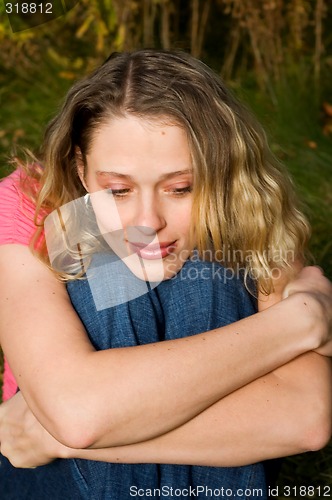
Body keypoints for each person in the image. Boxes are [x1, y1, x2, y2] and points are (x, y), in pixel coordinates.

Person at [0, 49, 331, 500]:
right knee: (86, 236)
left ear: (220, 170)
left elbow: (305, 418)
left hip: (63, 450)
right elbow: (78, 410)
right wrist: (301, 321)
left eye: (181, 188)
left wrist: (54, 435)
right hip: (55, 485)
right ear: (81, 168)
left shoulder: (249, 213)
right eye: (118, 189)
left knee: (211, 264)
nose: (148, 218)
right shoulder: (28, 203)